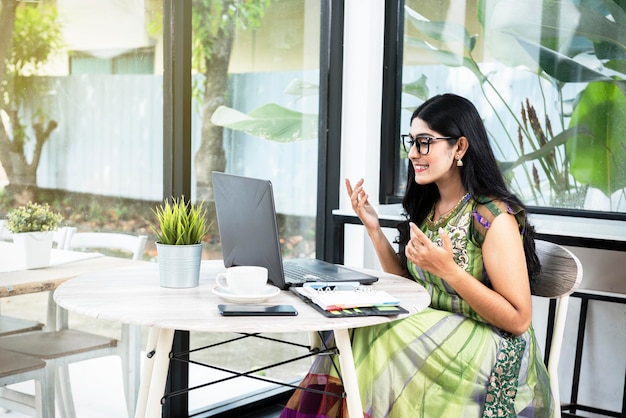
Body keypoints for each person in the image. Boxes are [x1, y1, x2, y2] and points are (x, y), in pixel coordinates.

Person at [280, 93, 553, 417]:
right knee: (356, 326)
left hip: (490, 344)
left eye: (424, 142)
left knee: (384, 335)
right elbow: (411, 285)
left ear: (460, 147)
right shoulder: (429, 209)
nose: (412, 153)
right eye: (411, 142)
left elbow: (519, 320)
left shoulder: (493, 218)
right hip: (434, 329)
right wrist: (374, 230)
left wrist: (452, 272)